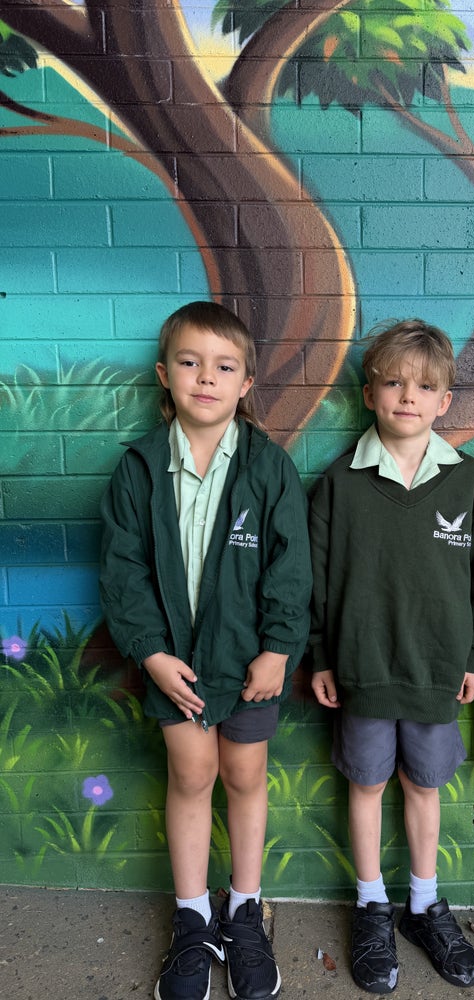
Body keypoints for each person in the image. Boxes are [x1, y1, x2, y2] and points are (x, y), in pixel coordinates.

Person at [99, 301, 312, 1000]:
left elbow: (291, 567)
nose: (206, 378)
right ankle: (193, 918)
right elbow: (124, 571)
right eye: (190, 363)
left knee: (245, 777)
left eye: (224, 367)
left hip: (250, 661)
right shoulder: (137, 470)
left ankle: (244, 909)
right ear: (165, 375)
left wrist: (278, 650)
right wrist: (151, 654)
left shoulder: (269, 469)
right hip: (175, 662)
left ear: (247, 383)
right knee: (192, 774)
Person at [309, 319, 474, 994]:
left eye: (422, 387)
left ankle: (422, 903)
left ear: (444, 401)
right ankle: (371, 905)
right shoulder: (339, 483)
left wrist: (472, 654)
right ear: (368, 394)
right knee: (367, 784)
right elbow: (317, 577)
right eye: (392, 382)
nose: (407, 396)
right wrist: (322, 655)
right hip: (361, 668)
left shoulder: (467, 481)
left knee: (424, 785)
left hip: (436, 671)